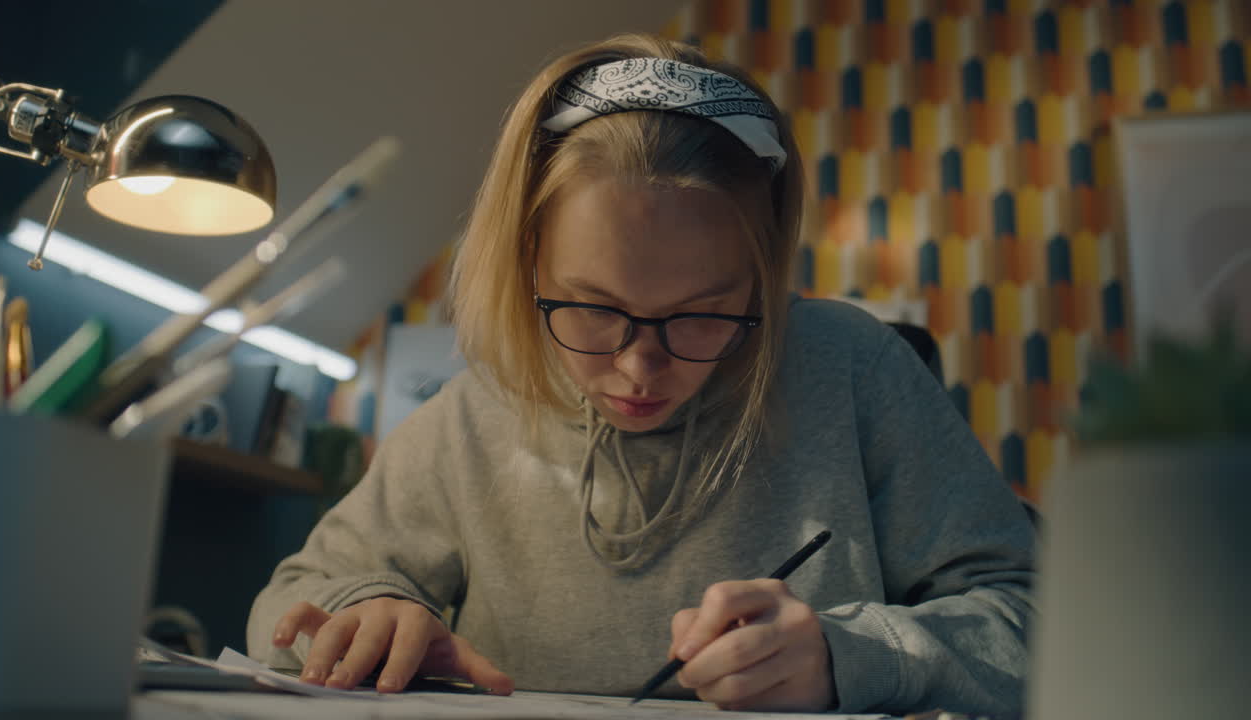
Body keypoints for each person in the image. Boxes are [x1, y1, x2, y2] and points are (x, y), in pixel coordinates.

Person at [247, 33, 1035, 716]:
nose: (637, 368)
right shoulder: (475, 415)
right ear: (528, 262)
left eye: (702, 313)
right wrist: (365, 611)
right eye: (591, 308)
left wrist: (850, 654)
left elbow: (1037, 619)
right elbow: (290, 599)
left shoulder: (856, 370)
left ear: (760, 281)